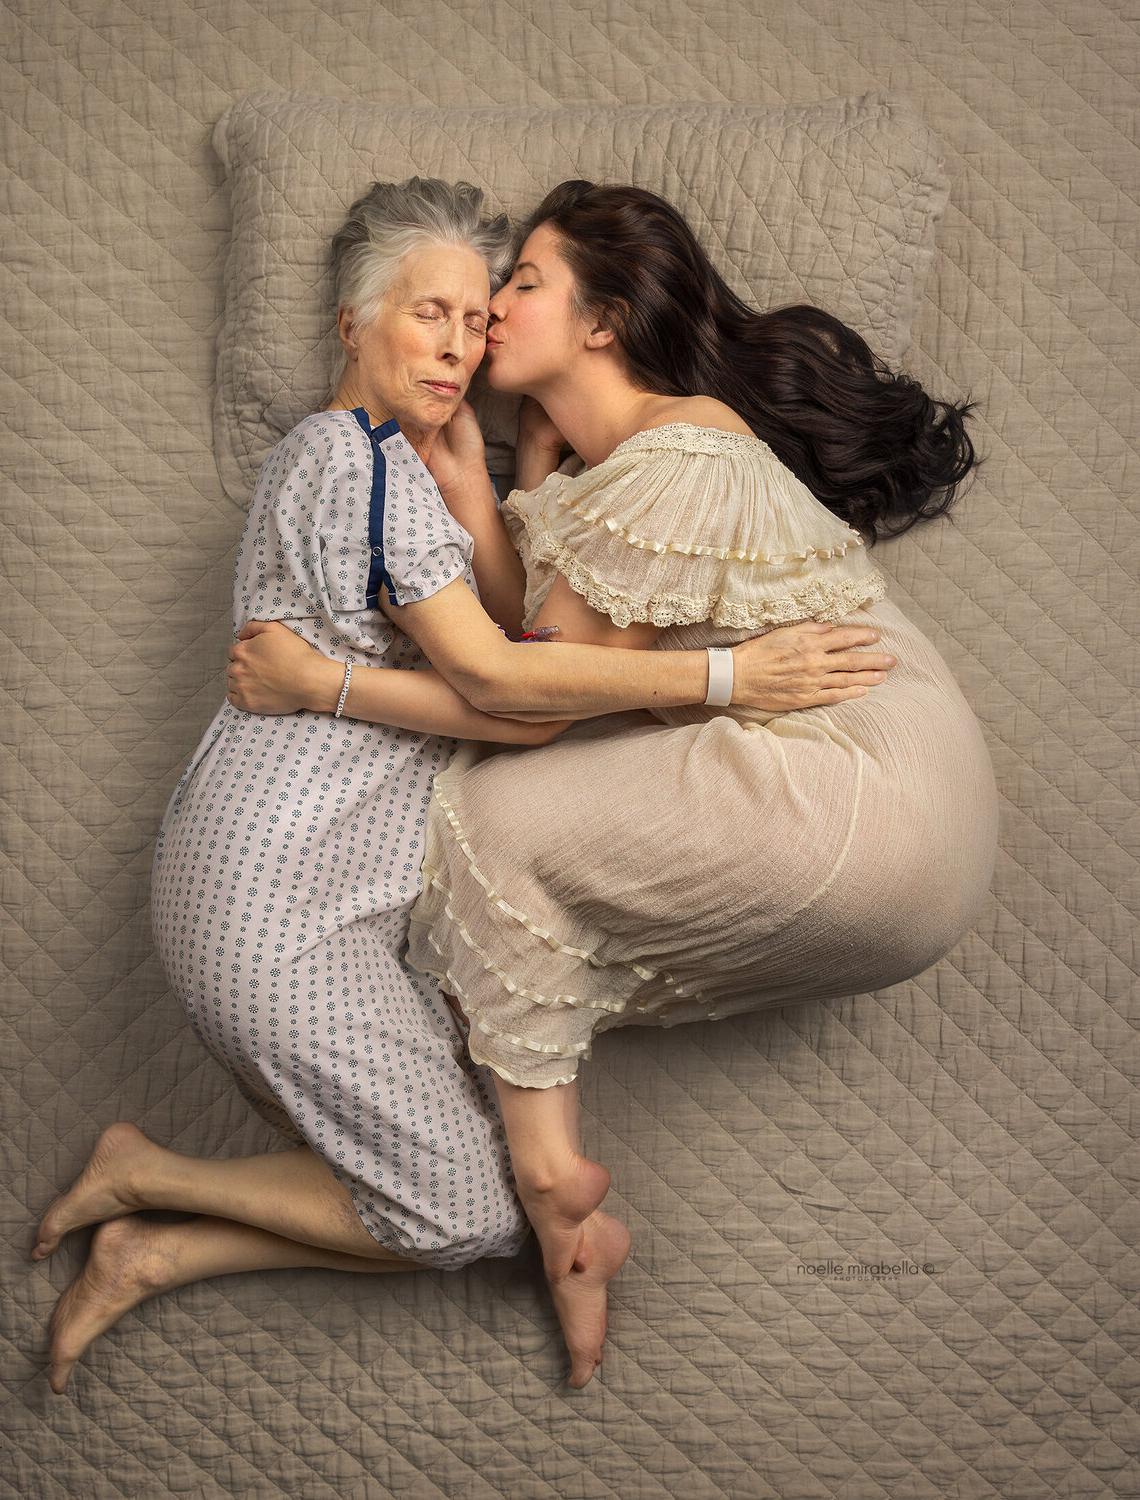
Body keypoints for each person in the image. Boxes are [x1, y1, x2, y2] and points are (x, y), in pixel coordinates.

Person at [32, 178, 891, 1394]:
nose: (458, 346)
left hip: (264, 888)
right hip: (272, 909)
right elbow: (508, 692)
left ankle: (152, 1249)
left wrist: (499, 493)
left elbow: (514, 651)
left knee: (453, 1202)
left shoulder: (365, 461)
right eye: (427, 314)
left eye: (478, 320)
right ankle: (148, 1179)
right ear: (351, 325)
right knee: (471, 1216)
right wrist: (729, 674)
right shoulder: (361, 468)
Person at [228, 181, 997, 1387]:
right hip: (894, 853)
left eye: (517, 287)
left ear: (600, 320)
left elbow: (523, 696)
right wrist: (501, 497)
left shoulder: (677, 444)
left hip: (866, 784)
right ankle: (563, 1222)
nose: (484, 323)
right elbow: (542, 660)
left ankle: (546, 1192)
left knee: (485, 816)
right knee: (509, 870)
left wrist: (319, 682)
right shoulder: (606, 475)